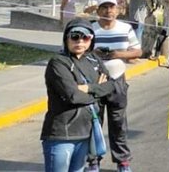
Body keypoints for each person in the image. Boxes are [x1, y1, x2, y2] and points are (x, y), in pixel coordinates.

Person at [41, 19, 114, 172]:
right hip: (62, 134)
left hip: (86, 132)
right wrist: (98, 90)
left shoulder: (94, 60)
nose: (80, 41)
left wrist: (87, 88)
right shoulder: (58, 63)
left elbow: (111, 86)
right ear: (66, 38)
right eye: (75, 36)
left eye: (85, 37)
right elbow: (72, 95)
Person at [90, 0, 142, 172]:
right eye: (104, 7)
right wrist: (94, 52)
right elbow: (79, 50)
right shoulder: (90, 29)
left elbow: (137, 51)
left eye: (111, 7)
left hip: (117, 81)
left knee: (118, 123)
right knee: (94, 123)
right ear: (98, 11)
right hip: (95, 81)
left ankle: (123, 162)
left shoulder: (125, 28)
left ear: (117, 10)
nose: (108, 11)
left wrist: (117, 54)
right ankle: (93, 160)